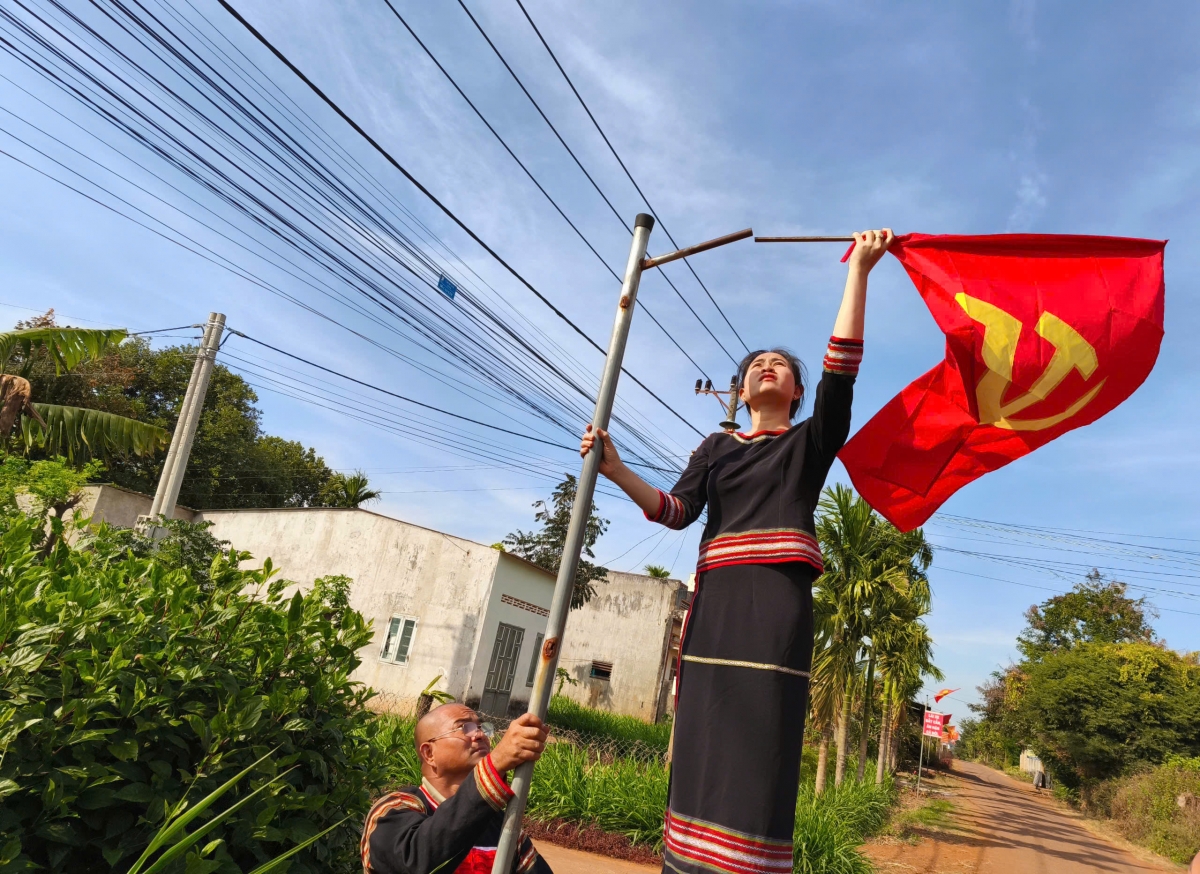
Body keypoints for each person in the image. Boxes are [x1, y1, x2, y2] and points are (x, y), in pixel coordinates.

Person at [580, 229, 893, 874]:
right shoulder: (716, 448)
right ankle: (685, 858)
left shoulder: (810, 443)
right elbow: (675, 511)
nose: (767, 367)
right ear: (741, 394)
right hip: (715, 599)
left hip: (776, 602)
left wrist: (858, 271)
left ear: (798, 395)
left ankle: (746, 861)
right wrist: (613, 470)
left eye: (781, 365)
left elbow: (842, 372)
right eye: (755, 367)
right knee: (701, 727)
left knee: (761, 729)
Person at [360, 704, 553, 874]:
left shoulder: (502, 827)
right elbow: (417, 862)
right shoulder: (393, 809)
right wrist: (494, 765)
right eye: (464, 728)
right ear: (429, 753)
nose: (479, 735)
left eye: (481, 727)